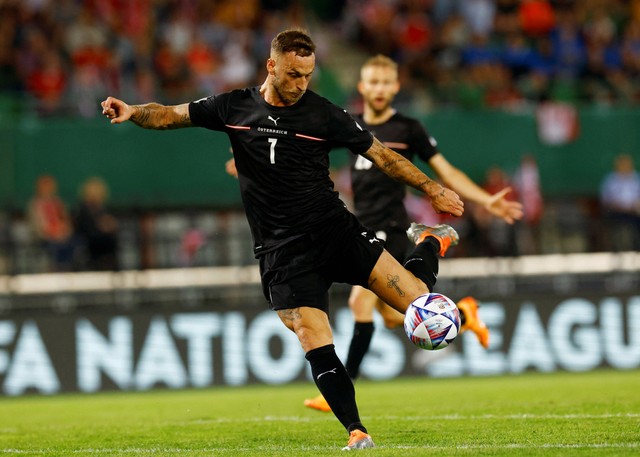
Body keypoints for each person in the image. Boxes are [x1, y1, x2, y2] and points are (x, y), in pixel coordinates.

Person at [102, 29, 465, 451]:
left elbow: (382, 155)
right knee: (313, 333)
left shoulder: (325, 114)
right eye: (293, 74)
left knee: (418, 301)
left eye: (308, 75)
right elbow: (168, 114)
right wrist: (132, 110)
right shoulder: (233, 106)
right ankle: (356, 430)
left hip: (335, 231)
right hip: (283, 250)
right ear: (271, 65)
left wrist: (432, 188)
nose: (300, 84)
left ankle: (431, 241)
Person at [304, 55, 524, 413]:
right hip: (359, 225)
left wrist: (486, 200)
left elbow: (445, 171)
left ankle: (340, 392)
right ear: (361, 87)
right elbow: (305, 147)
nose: (378, 88)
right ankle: (465, 315)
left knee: (360, 302)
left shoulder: (408, 129)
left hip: (389, 227)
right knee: (397, 316)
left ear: (395, 87)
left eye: (384, 82)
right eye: (372, 82)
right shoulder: (351, 125)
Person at [27, 174, 77, 271]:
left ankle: (66, 268)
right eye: (45, 186)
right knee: (55, 246)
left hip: (62, 235)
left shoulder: (58, 203)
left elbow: (66, 220)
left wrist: (64, 231)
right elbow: (37, 226)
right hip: (45, 237)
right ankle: (55, 268)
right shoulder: (34, 204)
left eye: (50, 186)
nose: (48, 189)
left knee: (75, 242)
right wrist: (52, 233)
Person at [73, 177, 119, 271]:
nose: (95, 196)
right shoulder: (82, 210)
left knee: (111, 240)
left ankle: (109, 265)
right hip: (89, 239)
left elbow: (109, 224)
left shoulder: (103, 209)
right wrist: (100, 226)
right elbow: (85, 228)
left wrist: (108, 225)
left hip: (102, 239)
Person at [599, 153, 640, 251]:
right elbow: (606, 200)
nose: (624, 167)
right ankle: (621, 249)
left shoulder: (637, 179)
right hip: (617, 212)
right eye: (621, 164)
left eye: (626, 164)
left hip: (635, 212)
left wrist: (635, 206)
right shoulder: (610, 180)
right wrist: (621, 207)